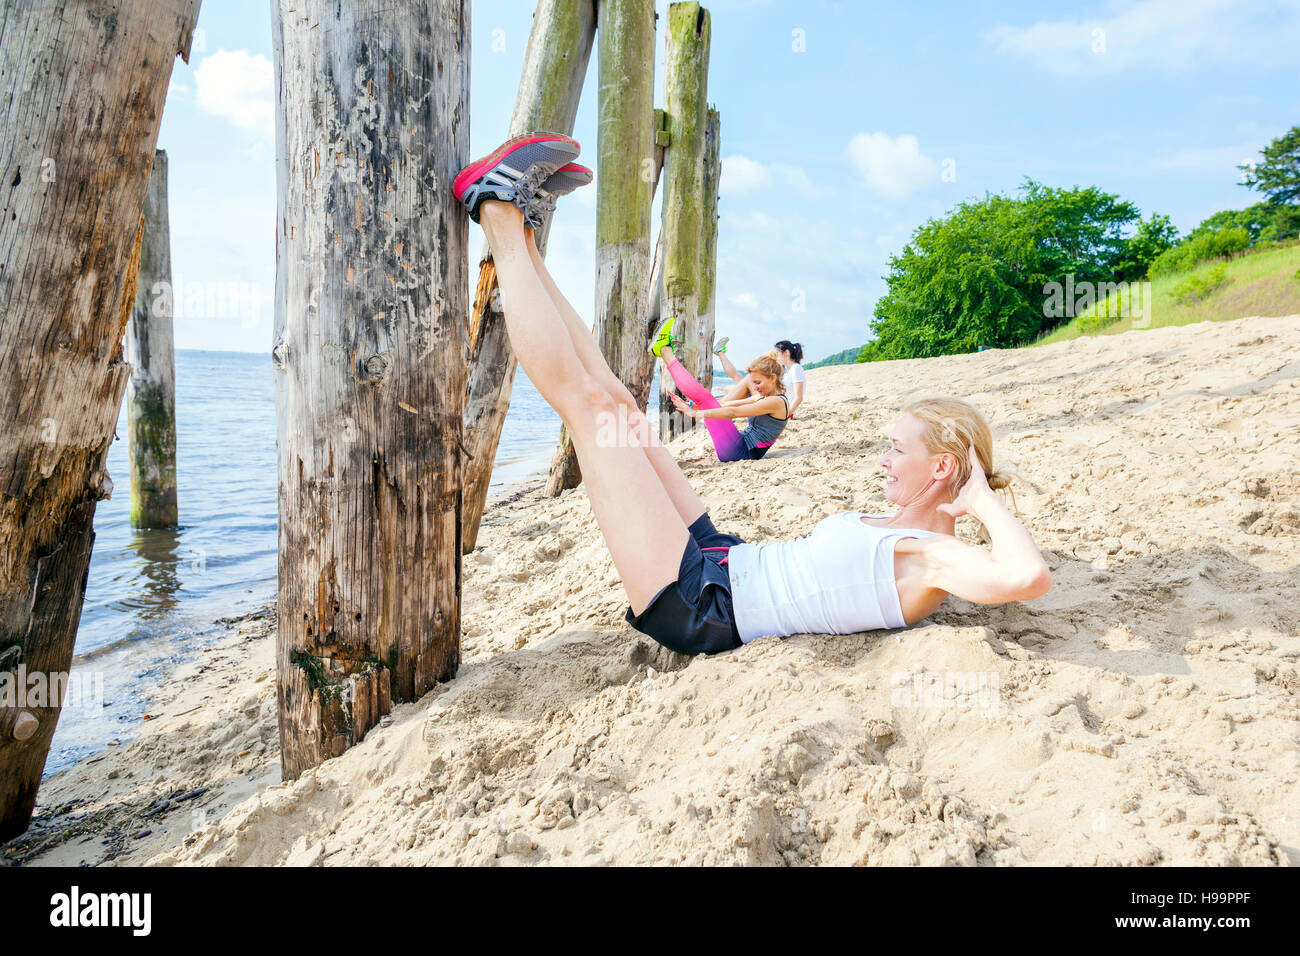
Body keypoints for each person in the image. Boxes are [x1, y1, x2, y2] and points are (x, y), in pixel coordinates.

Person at [452, 133, 1052, 657]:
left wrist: (978, 497)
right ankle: (524, 234)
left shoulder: (931, 555)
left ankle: (497, 210)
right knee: (624, 412)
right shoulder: (907, 528)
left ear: (943, 466)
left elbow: (1028, 576)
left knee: (591, 410)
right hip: (726, 559)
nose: (884, 459)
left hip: (702, 605)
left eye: (898, 450)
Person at [651, 318, 789, 462]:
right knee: (704, 399)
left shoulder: (776, 402)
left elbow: (733, 413)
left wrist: (695, 413)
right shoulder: (765, 398)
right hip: (738, 445)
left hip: (740, 452)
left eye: (758, 382)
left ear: (773, 378)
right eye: (753, 382)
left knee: (704, 397)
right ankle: (664, 350)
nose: (754, 387)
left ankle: (664, 349)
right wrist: (692, 405)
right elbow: (728, 405)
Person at [715, 338, 806, 417]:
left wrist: (786, 415)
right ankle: (720, 353)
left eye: (777, 353)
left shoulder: (796, 368)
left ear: (786, 353)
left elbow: (798, 397)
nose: (776, 356)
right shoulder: (790, 371)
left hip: (777, 409)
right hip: (774, 405)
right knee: (739, 379)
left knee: (747, 379)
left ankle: (716, 406)